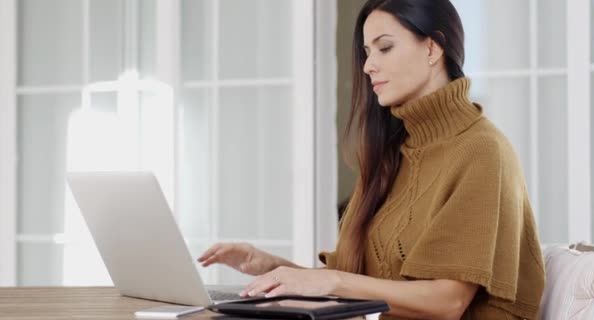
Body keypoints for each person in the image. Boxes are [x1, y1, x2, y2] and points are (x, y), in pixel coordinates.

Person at [198, 0, 545, 319]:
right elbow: (356, 287)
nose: (368, 66)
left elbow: (448, 302)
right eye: (366, 52)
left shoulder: (482, 151)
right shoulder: (394, 153)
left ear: (432, 47)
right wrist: (269, 267)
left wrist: (331, 282)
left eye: (385, 47)